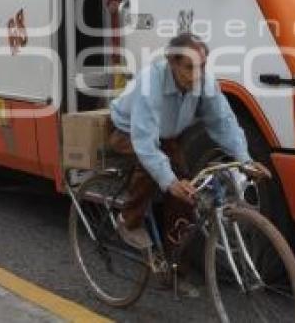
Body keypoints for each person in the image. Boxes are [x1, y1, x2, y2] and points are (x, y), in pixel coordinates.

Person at [109, 33, 271, 252]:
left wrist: (245, 160)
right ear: (172, 63)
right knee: (153, 171)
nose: (197, 76)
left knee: (187, 192)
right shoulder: (151, 82)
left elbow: (223, 123)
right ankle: (128, 221)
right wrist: (169, 181)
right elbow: (145, 143)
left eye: (202, 67)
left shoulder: (204, 81)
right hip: (128, 132)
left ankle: (174, 267)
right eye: (189, 67)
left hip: (168, 136)